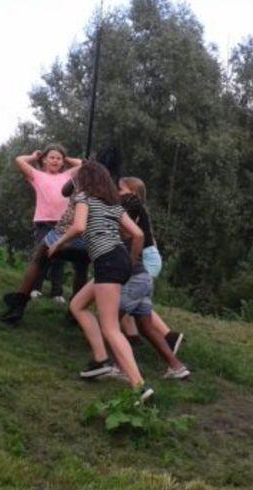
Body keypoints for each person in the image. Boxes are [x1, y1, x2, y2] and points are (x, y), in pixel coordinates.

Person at [47, 160, 154, 403]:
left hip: (107, 262)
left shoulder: (84, 197)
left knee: (111, 328)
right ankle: (100, 360)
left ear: (85, 179)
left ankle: (139, 386)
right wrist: (131, 258)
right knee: (77, 305)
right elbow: (137, 234)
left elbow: (78, 226)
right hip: (120, 260)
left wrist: (57, 243)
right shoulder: (113, 204)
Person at [118, 177, 184, 354]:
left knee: (128, 294)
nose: (118, 193)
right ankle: (133, 336)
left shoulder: (134, 208)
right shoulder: (137, 208)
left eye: (121, 190)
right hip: (149, 255)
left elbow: (131, 234)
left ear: (133, 193)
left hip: (145, 257)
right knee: (130, 296)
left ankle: (169, 336)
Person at [15, 145, 81, 303]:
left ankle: (57, 292)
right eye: (52, 157)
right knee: (42, 255)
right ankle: (35, 288)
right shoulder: (36, 175)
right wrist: (34, 156)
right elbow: (19, 160)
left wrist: (67, 158)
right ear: (44, 160)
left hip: (63, 223)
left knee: (59, 256)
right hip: (44, 222)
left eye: (59, 158)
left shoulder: (67, 175)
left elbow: (82, 164)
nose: (55, 160)